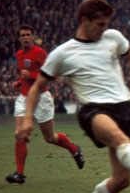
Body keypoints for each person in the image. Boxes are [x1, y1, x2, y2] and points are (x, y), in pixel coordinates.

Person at [16, 0, 130, 193]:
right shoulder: (62, 53)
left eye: (106, 24)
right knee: (116, 137)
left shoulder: (113, 37)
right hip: (93, 110)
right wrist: (27, 120)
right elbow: (37, 86)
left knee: (121, 181)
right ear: (84, 20)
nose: (104, 29)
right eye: (100, 24)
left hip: (124, 106)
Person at [6, 25, 85, 184]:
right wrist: (20, 82)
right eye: (23, 35)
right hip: (24, 98)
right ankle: (19, 174)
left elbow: (53, 75)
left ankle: (74, 149)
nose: (26, 37)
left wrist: (32, 75)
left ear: (33, 36)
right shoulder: (19, 54)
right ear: (19, 38)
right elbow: (25, 76)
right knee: (19, 133)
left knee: (49, 137)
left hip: (41, 98)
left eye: (29, 35)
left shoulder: (40, 53)